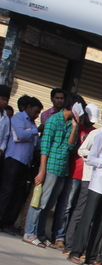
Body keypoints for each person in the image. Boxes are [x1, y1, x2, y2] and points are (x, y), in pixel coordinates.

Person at [67, 105, 102, 265]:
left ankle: (91, 257)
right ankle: (75, 252)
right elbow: (90, 159)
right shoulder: (101, 136)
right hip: (97, 184)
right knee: (87, 219)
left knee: (101, 222)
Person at [23, 93, 81, 248]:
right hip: (50, 168)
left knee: (48, 205)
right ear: (73, 107)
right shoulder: (53, 121)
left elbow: (70, 146)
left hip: (62, 169)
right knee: (39, 202)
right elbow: (45, 147)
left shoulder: (72, 123)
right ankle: (29, 233)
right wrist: (42, 171)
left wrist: (75, 127)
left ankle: (40, 234)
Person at [0, 96, 41, 235]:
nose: (36, 115)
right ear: (28, 108)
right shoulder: (18, 118)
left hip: (25, 163)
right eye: (35, 111)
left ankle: (8, 222)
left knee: (18, 195)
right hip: (13, 160)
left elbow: (35, 143)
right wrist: (36, 130)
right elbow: (21, 134)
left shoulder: (33, 123)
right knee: (7, 191)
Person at [0, 84, 10, 163]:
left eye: (7, 100)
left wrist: (1, 149)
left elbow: (5, 136)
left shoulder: (6, 118)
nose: (5, 102)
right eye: (3, 99)